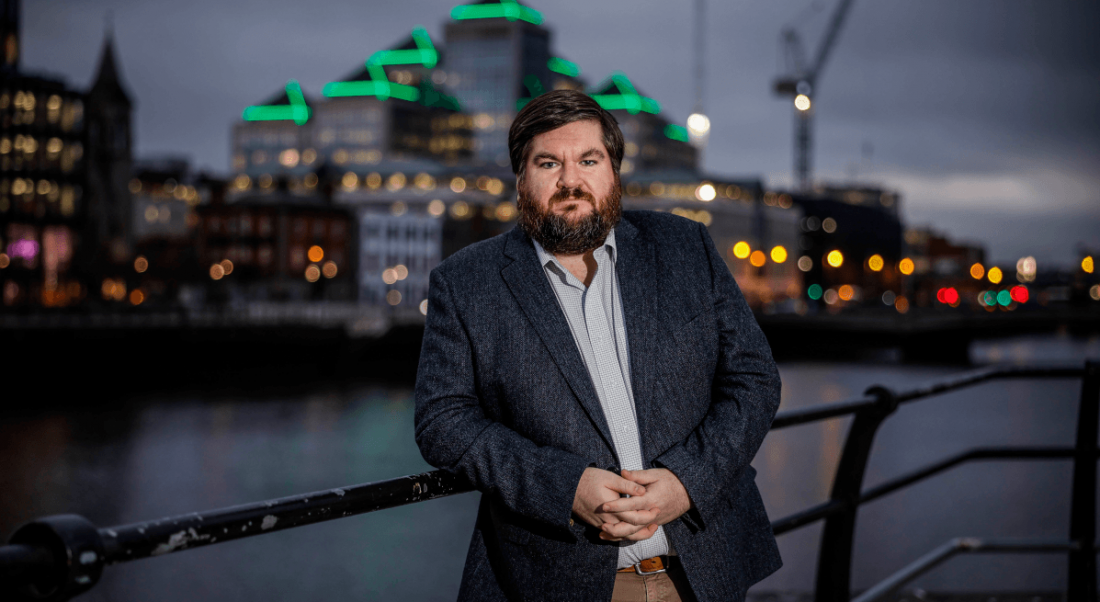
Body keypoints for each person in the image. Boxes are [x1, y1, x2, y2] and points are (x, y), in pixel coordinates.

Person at [414, 89, 782, 602]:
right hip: (557, 581)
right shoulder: (465, 282)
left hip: (703, 571)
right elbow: (442, 421)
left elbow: (754, 379)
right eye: (548, 163)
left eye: (589, 159)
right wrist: (563, 488)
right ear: (522, 179)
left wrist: (686, 482)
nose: (570, 181)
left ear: (613, 170)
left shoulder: (686, 248)